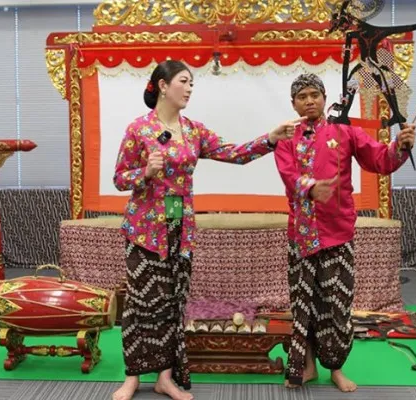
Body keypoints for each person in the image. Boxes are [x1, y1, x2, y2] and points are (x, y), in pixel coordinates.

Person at [111, 60, 302, 400]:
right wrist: (145, 171)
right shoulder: (138, 129)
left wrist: (270, 139)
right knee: (141, 304)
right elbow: (119, 178)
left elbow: (233, 153)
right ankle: (132, 378)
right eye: (183, 82)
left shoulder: (194, 130)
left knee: (173, 304)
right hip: (144, 231)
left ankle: (165, 377)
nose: (189, 89)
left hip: (180, 228)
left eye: (192, 84)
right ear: (163, 85)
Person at [273, 73, 416, 392]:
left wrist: (400, 146)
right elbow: (289, 176)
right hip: (302, 236)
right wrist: (312, 188)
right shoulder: (285, 138)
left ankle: (336, 369)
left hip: (339, 234)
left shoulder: (345, 131)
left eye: (315, 94)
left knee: (337, 305)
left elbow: (379, 159)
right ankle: (307, 366)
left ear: (324, 98)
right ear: (293, 103)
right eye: (302, 96)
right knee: (303, 305)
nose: (309, 101)